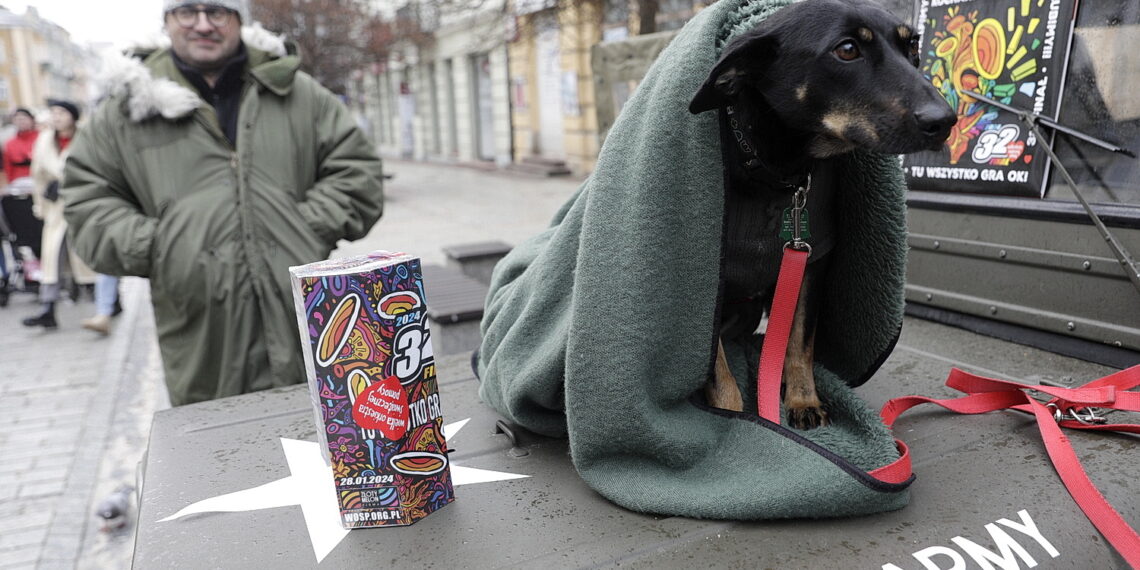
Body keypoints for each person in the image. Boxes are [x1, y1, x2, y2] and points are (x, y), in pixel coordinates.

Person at [63, 0, 385, 405]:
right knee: (220, 456)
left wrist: (306, 226)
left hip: (308, 322)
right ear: (167, 21)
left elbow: (358, 172)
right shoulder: (126, 111)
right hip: (201, 337)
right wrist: (162, 246)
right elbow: (86, 202)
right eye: (187, 12)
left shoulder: (295, 91)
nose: (202, 25)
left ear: (239, 20)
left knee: (321, 439)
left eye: (217, 12)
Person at [22, 99, 97, 329]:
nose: (56, 117)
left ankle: (108, 301)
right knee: (52, 259)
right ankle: (48, 308)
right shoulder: (45, 140)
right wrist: (41, 202)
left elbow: (97, 170)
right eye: (53, 113)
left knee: (90, 256)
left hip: (83, 205)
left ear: (73, 116)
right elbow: (38, 174)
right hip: (56, 208)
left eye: (62, 112)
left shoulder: (86, 137)